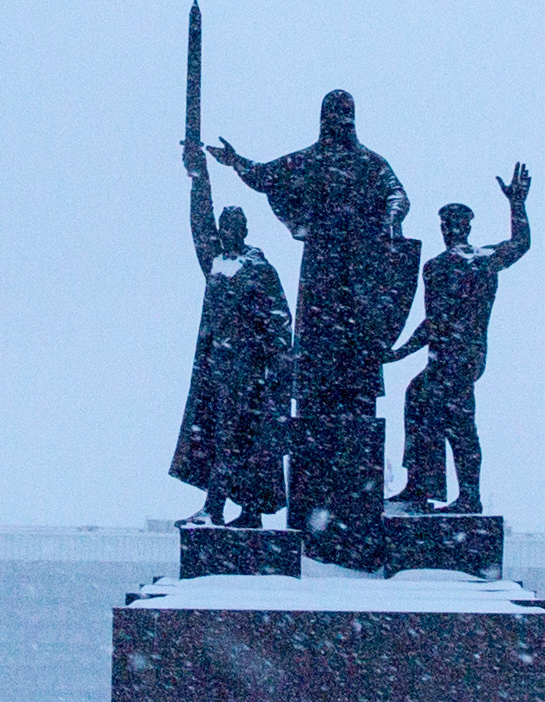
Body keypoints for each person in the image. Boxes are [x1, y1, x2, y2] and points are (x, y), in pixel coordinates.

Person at [209, 90, 413, 422]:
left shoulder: (369, 163)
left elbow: (397, 195)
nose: (338, 121)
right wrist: (235, 161)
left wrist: (392, 218)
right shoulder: (313, 160)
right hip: (325, 268)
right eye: (334, 115)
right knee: (319, 355)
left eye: (342, 115)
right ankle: (321, 406)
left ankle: (348, 405)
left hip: (356, 270)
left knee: (354, 353)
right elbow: (265, 177)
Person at [384, 163, 530, 515]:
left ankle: (462, 495)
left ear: (464, 227)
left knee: (458, 422)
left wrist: (517, 204)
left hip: (460, 358)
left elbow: (521, 244)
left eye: (452, 225)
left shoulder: (477, 261)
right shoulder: (443, 265)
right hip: (450, 358)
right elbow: (433, 321)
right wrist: (400, 351)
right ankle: (423, 487)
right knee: (424, 403)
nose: (448, 230)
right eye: (445, 225)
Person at [169, 137, 293, 527]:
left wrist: (274, 365)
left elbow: (280, 319)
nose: (227, 230)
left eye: (234, 225)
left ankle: (230, 509)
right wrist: (198, 176)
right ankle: (233, 509)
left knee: (238, 439)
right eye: (224, 226)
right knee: (225, 438)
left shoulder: (257, 267)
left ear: (244, 229)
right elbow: (199, 222)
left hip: (248, 371)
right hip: (219, 368)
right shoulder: (217, 263)